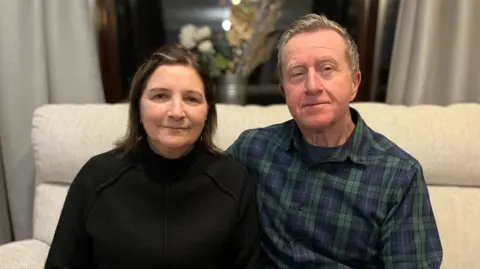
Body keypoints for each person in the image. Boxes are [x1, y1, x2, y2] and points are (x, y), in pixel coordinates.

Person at [227, 14, 442, 268]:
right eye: (297, 73)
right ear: (285, 91)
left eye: (326, 68)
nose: (312, 86)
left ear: (354, 83)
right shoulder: (254, 150)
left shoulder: (399, 176)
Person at [45, 44, 261, 269]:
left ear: (207, 113)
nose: (177, 112)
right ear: (138, 109)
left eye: (191, 99)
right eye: (160, 96)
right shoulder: (96, 176)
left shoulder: (233, 180)